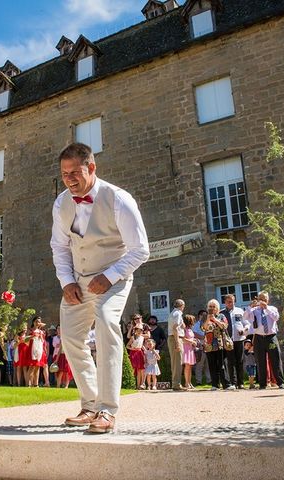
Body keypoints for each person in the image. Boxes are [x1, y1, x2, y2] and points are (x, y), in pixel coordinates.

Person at [50, 142, 149, 434]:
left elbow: (140, 250)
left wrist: (109, 276)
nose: (69, 179)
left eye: (75, 172)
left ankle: (107, 410)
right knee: (70, 336)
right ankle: (90, 403)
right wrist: (66, 281)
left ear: (91, 168)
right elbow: (59, 246)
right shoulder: (61, 203)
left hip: (113, 277)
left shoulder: (118, 199)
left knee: (106, 322)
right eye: (64, 173)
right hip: (77, 279)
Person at [244, 291, 284, 389]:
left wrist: (266, 308)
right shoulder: (254, 310)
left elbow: (276, 317)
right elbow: (245, 317)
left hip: (270, 337)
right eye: (261, 299)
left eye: (265, 299)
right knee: (260, 360)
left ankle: (280, 382)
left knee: (275, 359)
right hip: (258, 337)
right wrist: (250, 307)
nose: (263, 301)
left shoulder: (272, 309)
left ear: (268, 300)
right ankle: (263, 383)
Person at [202, 299, 235, 391]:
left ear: (217, 308)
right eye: (210, 307)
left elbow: (224, 326)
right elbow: (203, 328)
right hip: (209, 344)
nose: (212, 308)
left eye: (214, 307)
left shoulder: (221, 316)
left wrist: (215, 320)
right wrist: (208, 319)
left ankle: (226, 384)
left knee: (222, 364)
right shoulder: (205, 316)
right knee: (212, 365)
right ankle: (215, 384)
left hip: (220, 343)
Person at [221, 294, 250, 389]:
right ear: (225, 302)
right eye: (229, 301)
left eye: (232, 301)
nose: (231, 303)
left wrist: (244, 330)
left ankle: (240, 382)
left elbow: (247, 324)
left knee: (240, 361)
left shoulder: (240, 311)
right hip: (229, 341)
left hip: (239, 339)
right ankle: (233, 382)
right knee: (230, 362)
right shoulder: (222, 314)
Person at [167, 299, 188, 391]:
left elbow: (178, 326)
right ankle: (176, 384)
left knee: (176, 362)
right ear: (182, 305)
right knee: (177, 363)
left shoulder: (174, 313)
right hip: (175, 338)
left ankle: (176, 383)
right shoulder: (177, 313)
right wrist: (177, 343)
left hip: (175, 337)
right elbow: (175, 328)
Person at [193, 309, 211, 385]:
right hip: (201, 346)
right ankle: (198, 381)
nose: (205, 316)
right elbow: (194, 334)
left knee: (208, 364)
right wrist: (203, 337)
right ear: (199, 316)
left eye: (206, 315)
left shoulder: (209, 323)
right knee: (199, 365)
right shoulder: (196, 325)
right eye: (203, 315)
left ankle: (209, 380)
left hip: (209, 346)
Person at [127, 323, 146, 389]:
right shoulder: (133, 337)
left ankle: (138, 386)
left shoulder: (142, 338)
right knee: (133, 368)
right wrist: (132, 348)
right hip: (133, 353)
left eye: (141, 330)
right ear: (135, 330)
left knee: (139, 370)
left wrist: (144, 349)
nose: (139, 331)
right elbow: (127, 346)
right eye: (138, 330)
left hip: (139, 353)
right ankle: (131, 384)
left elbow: (141, 345)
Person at [181, 314, 197, 389]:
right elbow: (183, 339)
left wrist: (194, 341)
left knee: (190, 367)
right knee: (187, 366)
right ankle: (186, 383)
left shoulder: (190, 329)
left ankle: (189, 382)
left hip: (190, 349)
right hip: (186, 348)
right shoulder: (184, 329)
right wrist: (191, 341)